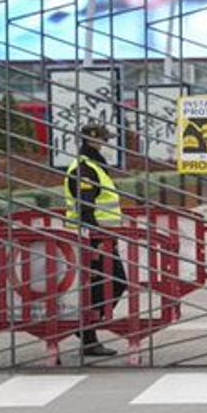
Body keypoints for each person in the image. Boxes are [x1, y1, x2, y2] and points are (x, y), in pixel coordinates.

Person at [64, 122, 126, 358]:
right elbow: (85, 208)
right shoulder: (84, 169)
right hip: (92, 238)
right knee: (113, 283)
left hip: (104, 237)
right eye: (104, 139)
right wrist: (97, 239)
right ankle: (86, 330)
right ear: (92, 139)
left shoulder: (96, 165)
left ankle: (88, 333)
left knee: (101, 286)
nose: (107, 144)